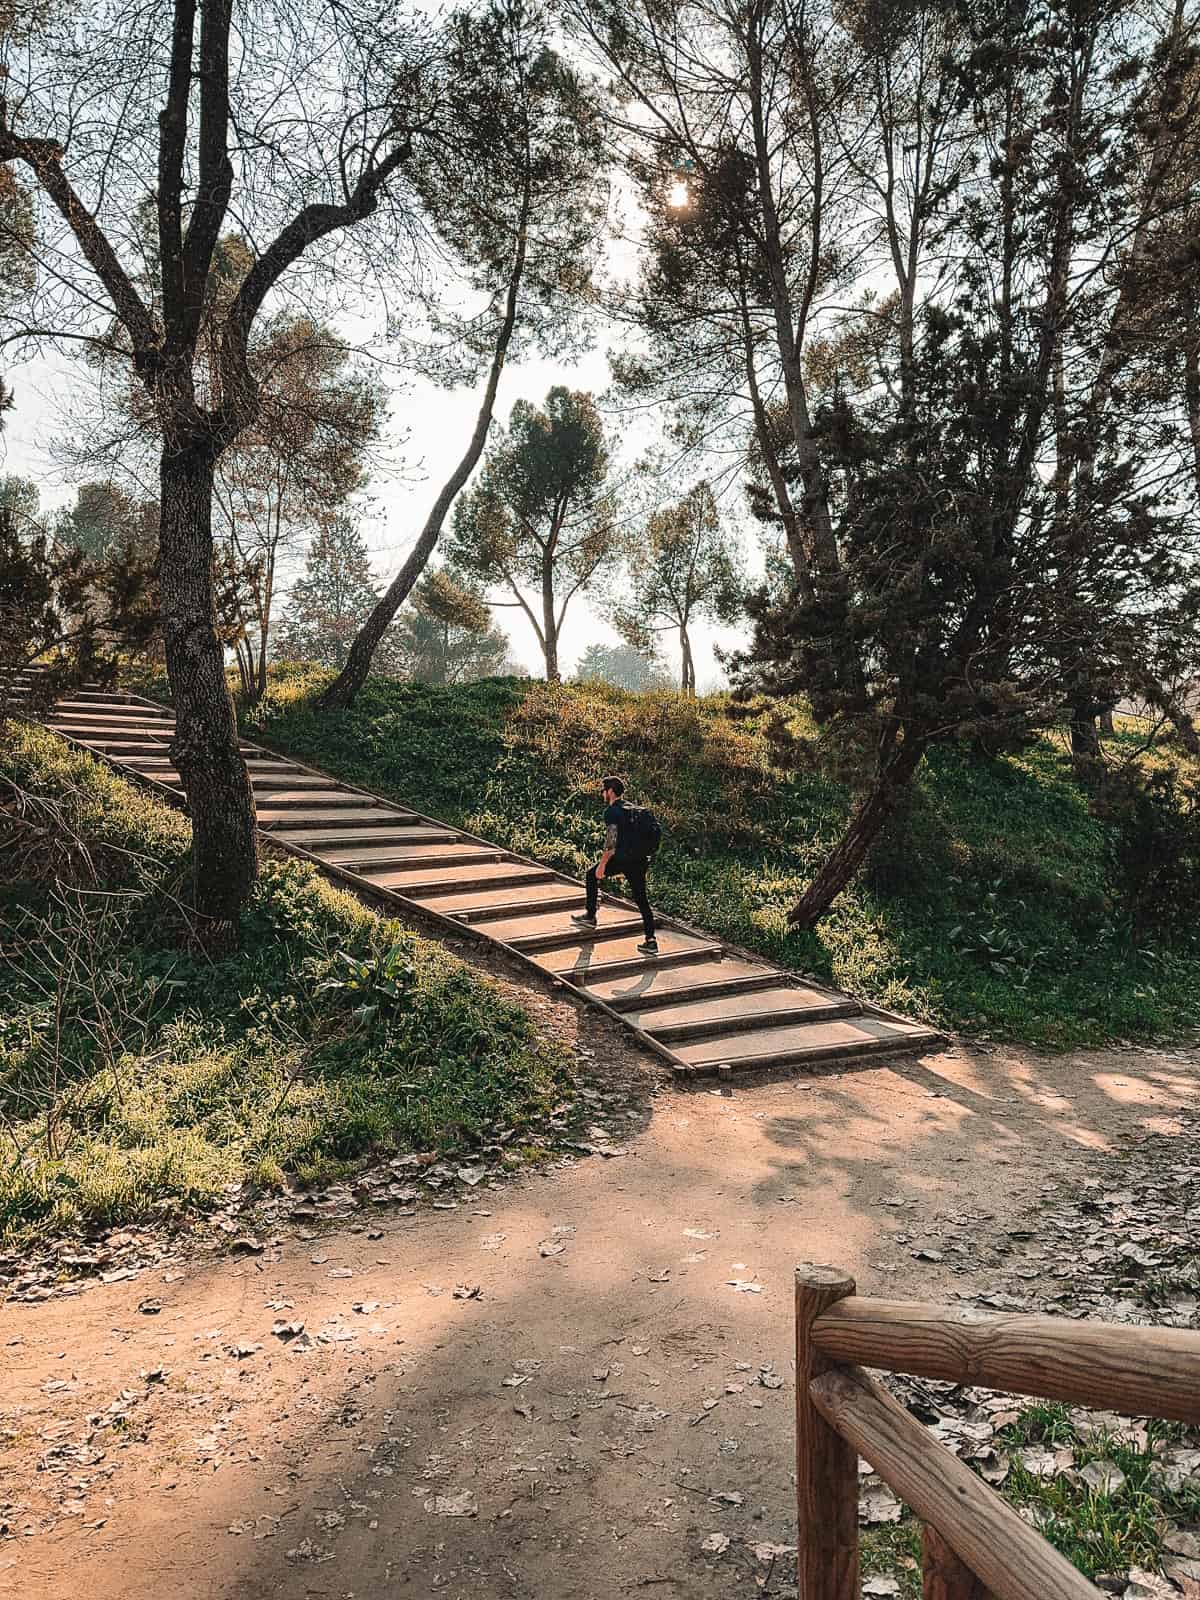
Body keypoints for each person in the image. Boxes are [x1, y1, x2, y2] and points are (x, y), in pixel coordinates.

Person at [572, 775, 658, 955]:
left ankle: (590, 916)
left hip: (621, 859)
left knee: (591, 875)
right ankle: (651, 940)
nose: (602, 794)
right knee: (641, 900)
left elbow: (611, 841)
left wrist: (602, 864)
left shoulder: (612, 811)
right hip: (639, 861)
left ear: (610, 791)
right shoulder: (632, 809)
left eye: (603, 790)